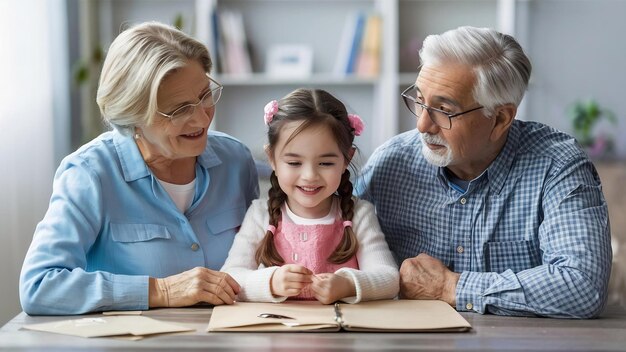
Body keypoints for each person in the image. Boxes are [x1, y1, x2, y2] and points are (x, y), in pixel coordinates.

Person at [355, 26, 612, 318]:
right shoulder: (391, 163)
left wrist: (451, 287)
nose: (423, 126)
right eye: (420, 100)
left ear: (500, 118)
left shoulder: (556, 166)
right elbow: (336, 251)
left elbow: (583, 286)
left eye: (444, 109)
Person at [19, 22, 259, 315]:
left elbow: (263, 258)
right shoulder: (90, 174)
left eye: (204, 95)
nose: (201, 118)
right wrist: (162, 290)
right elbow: (40, 285)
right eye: (179, 109)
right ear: (132, 115)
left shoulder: (236, 161)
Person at [221, 88, 399, 304]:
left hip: (344, 335)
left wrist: (348, 285)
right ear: (272, 158)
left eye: (325, 163)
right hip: (275, 333)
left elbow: (389, 278)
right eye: (294, 163)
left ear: (346, 159)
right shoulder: (260, 215)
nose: (309, 176)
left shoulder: (359, 214)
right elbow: (230, 278)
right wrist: (271, 282)